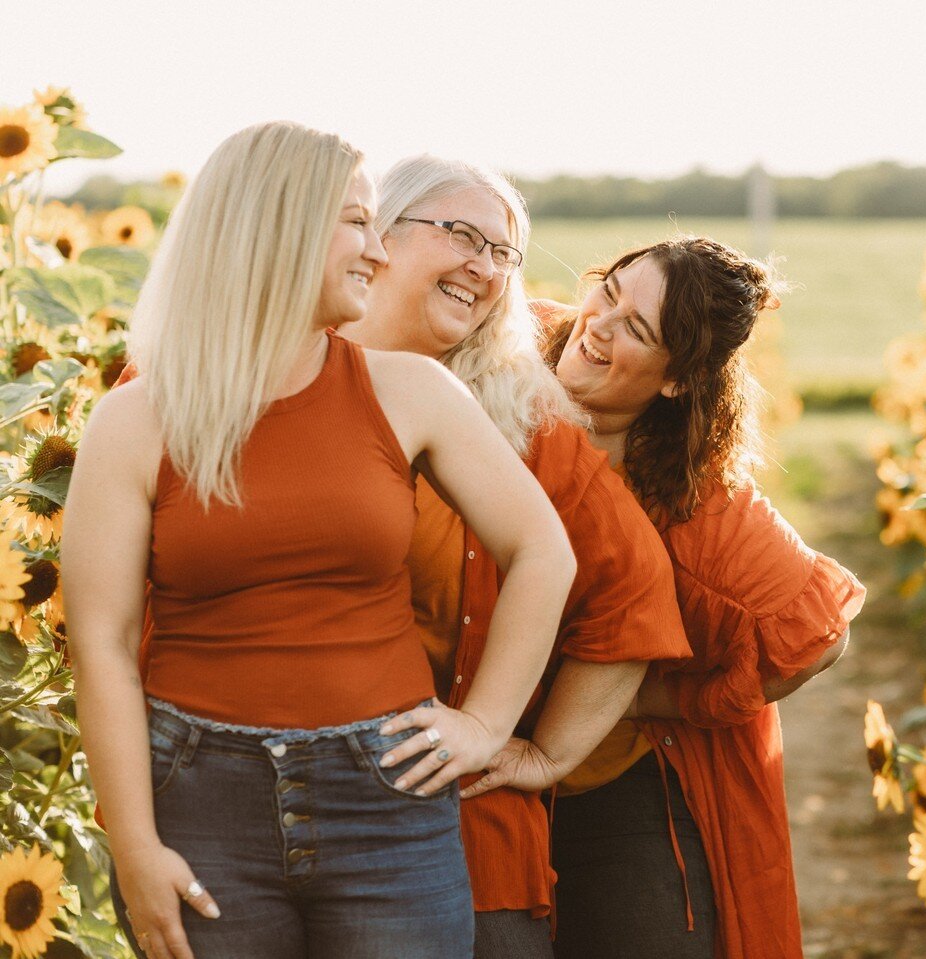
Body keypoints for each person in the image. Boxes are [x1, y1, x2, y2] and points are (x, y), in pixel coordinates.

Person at [63, 122, 574, 959]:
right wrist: (134, 846)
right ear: (276, 225)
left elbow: (543, 553)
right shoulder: (135, 419)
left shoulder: (410, 390)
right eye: (356, 222)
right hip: (200, 805)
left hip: (388, 807)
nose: (377, 250)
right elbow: (103, 645)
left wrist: (485, 722)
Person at [339, 154, 690, 958]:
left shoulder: (524, 417)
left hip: (456, 838)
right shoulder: (261, 366)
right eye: (462, 234)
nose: (485, 267)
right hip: (256, 825)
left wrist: (528, 744)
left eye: (504, 252)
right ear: (374, 229)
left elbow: (634, 592)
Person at [522, 237, 865, 958]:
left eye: (637, 329)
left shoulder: (696, 498)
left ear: (677, 380)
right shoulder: (506, 347)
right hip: (467, 754)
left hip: (606, 777)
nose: (600, 324)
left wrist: (658, 699)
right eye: (609, 290)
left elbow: (818, 636)